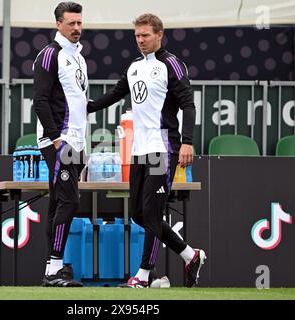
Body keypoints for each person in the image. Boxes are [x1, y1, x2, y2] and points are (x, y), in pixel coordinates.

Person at [87, 13, 206, 288]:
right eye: (137, 36)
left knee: (152, 214)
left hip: (163, 146)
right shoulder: (134, 67)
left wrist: (187, 141)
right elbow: (116, 93)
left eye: (146, 35)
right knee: (138, 214)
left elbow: (189, 104)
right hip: (139, 149)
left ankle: (141, 277)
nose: (140, 40)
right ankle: (190, 255)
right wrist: (88, 106)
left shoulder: (171, 64)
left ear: (159, 34)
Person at [32, 1, 88, 287]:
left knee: (57, 203)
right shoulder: (48, 55)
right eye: (71, 23)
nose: (77, 28)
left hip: (77, 141)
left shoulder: (78, 57)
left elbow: (81, 105)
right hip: (59, 140)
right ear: (58, 24)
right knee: (70, 200)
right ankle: (54, 269)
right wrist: (56, 139)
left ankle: (52, 268)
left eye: (79, 22)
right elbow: (39, 100)